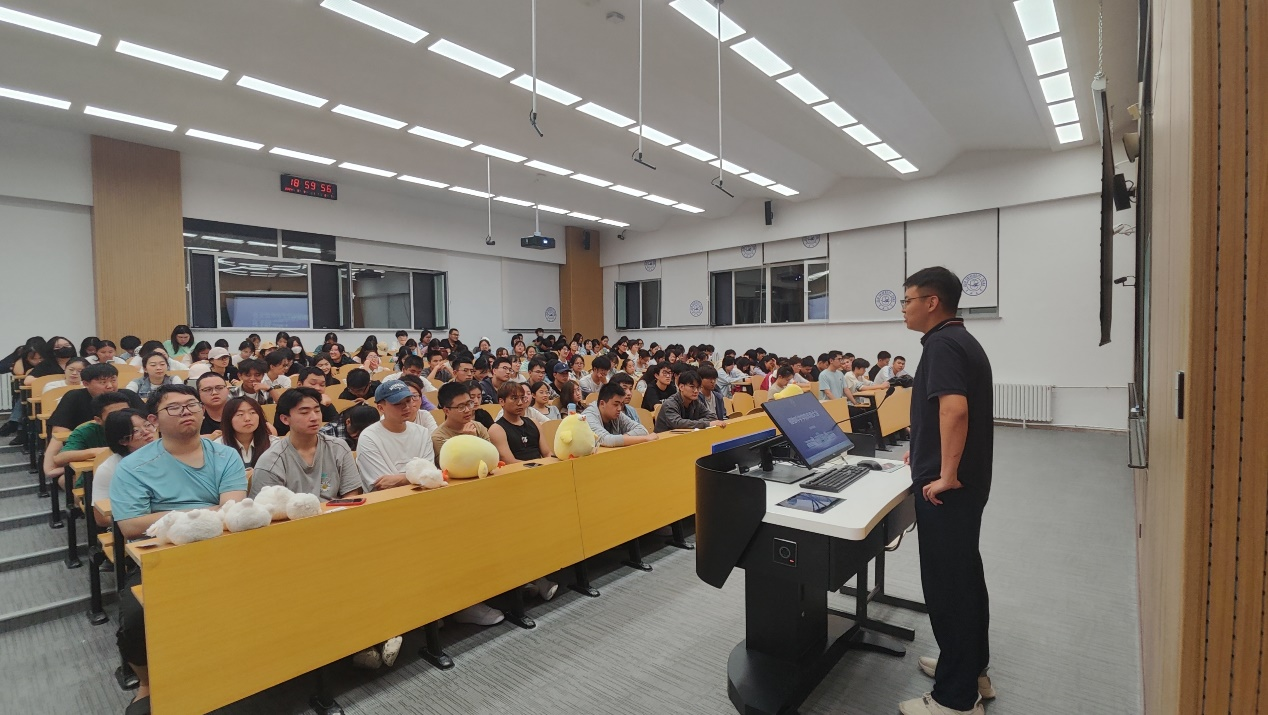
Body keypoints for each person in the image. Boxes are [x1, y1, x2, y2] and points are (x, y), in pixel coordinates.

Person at [110, 384, 247, 713]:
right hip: (162, 554)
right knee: (136, 616)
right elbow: (131, 525)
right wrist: (202, 511)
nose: (186, 411)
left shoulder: (225, 455)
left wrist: (171, 515)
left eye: (192, 405)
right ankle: (146, 683)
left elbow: (232, 508)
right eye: (174, 407)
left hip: (221, 545)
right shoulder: (133, 466)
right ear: (154, 420)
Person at [898, 266, 995, 715]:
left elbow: (954, 411)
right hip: (965, 485)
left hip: (948, 491)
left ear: (931, 302)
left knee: (948, 586)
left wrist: (945, 474)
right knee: (965, 577)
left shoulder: (941, 345)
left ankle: (956, 699)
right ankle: (970, 669)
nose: (903, 308)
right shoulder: (960, 339)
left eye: (908, 300)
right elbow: (943, 413)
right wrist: (922, 448)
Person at [251, 387, 362, 502]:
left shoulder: (338, 448)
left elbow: (351, 495)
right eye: (304, 412)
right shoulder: (271, 460)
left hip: (336, 511)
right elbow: (267, 507)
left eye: (317, 411)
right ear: (285, 419)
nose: (314, 418)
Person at [354, 380, 434, 492]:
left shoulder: (422, 433)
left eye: (408, 401)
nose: (406, 407)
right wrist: (418, 477)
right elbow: (382, 485)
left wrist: (401, 479)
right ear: (381, 408)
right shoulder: (368, 437)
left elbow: (431, 475)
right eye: (397, 403)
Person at [51, 391, 134, 487]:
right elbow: (59, 458)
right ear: (98, 420)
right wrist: (96, 452)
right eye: (113, 415)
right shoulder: (86, 431)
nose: (122, 417)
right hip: (99, 479)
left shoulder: (141, 428)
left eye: (126, 412)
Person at [93, 409, 157, 526]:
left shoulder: (169, 454)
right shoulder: (109, 468)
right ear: (122, 440)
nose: (146, 432)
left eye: (147, 425)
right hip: (136, 525)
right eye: (135, 431)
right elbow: (101, 518)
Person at [488, 381, 551, 463]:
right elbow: (509, 461)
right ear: (502, 402)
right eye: (514, 398)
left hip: (540, 467)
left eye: (522, 398)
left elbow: (547, 453)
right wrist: (536, 466)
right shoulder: (496, 429)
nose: (520, 403)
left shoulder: (534, 423)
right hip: (518, 469)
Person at [583, 383, 658, 448]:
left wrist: (622, 439)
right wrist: (645, 439)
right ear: (602, 403)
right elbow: (607, 440)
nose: (619, 408)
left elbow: (642, 430)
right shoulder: (588, 416)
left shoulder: (617, 414)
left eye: (621, 404)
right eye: (615, 404)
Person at [431, 381, 491, 461]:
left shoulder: (478, 427)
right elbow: (453, 465)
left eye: (469, 403)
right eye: (461, 407)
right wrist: (469, 440)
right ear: (446, 411)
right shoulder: (439, 438)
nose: (467, 410)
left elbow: (491, 457)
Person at [653, 371, 724, 433]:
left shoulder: (695, 401)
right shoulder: (670, 404)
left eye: (698, 387)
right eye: (692, 387)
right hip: (664, 440)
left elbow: (712, 416)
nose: (696, 391)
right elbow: (678, 424)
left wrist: (696, 423)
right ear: (681, 387)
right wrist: (706, 424)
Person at [219, 397, 276, 468]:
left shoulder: (274, 444)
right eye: (240, 414)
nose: (247, 418)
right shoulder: (218, 447)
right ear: (228, 419)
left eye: (252, 412)